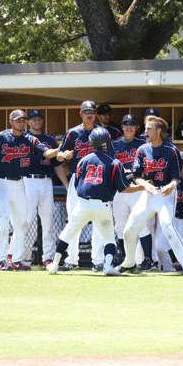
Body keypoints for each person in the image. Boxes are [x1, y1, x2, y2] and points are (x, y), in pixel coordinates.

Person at [0, 110, 71, 271]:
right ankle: (2, 259)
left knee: (22, 223)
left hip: (19, 183)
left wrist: (60, 149)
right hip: (0, 183)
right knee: (4, 219)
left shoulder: (29, 139)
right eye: (18, 120)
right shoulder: (1, 137)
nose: (22, 123)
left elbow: (47, 153)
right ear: (11, 122)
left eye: (23, 120)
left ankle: (17, 259)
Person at [47, 128, 146, 276]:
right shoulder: (114, 162)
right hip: (102, 205)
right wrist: (141, 187)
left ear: (92, 142)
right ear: (107, 142)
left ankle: (54, 265)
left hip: (83, 203)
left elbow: (77, 183)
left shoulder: (83, 160)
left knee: (67, 234)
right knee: (108, 239)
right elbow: (124, 189)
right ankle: (107, 266)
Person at [120, 116, 183, 276]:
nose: (145, 131)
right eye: (145, 128)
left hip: (165, 193)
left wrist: (171, 186)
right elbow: (136, 176)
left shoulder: (171, 151)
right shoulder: (142, 150)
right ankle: (129, 263)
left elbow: (176, 177)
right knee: (129, 230)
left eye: (149, 128)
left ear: (159, 131)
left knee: (167, 226)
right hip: (148, 193)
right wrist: (144, 184)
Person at [58, 100, 111, 270]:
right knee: (74, 219)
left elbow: (111, 156)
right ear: (81, 114)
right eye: (86, 112)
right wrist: (63, 154)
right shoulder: (73, 133)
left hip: (99, 179)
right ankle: (71, 260)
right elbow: (58, 157)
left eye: (92, 112)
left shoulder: (103, 133)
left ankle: (98, 261)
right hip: (78, 178)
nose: (90, 115)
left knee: (99, 221)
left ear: (96, 114)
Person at [24, 109, 69, 268]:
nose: (37, 122)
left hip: (46, 181)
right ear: (28, 122)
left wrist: (66, 185)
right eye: (33, 119)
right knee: (28, 220)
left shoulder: (49, 139)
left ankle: (48, 258)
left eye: (39, 119)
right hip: (28, 180)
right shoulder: (24, 138)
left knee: (48, 221)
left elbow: (57, 165)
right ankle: (24, 257)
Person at [111, 114, 154, 271]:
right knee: (120, 226)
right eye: (125, 124)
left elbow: (151, 162)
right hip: (120, 189)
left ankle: (148, 259)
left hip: (138, 188)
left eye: (132, 124)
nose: (128, 127)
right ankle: (126, 260)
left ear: (137, 127)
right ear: (122, 127)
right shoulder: (114, 144)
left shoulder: (143, 143)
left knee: (140, 224)